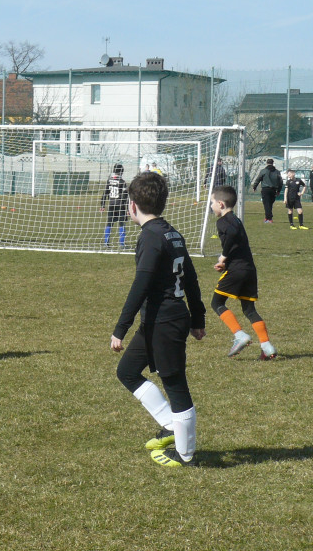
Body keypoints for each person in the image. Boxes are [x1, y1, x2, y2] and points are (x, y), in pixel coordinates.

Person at [111, 171, 205, 467]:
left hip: (166, 321)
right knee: (127, 371)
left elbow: (142, 285)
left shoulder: (151, 238)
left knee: (174, 382)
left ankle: (185, 454)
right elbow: (190, 278)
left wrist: (120, 328)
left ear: (133, 206)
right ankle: (171, 425)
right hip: (158, 320)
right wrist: (198, 317)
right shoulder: (171, 233)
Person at [209, 185, 276, 359]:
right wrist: (226, 262)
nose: (211, 206)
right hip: (248, 269)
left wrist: (223, 257)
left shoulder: (223, 221)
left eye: (212, 203)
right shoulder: (236, 219)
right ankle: (267, 346)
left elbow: (231, 235)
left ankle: (240, 335)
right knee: (249, 309)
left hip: (237, 269)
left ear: (221, 204)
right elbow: (236, 241)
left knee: (216, 303)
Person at [101, 163, 129, 249]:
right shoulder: (122, 182)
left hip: (111, 205)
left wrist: (102, 205)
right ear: (121, 172)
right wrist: (127, 208)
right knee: (121, 224)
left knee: (109, 223)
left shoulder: (109, 180)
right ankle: (122, 244)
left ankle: (106, 243)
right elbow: (125, 196)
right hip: (120, 205)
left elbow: (105, 193)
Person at [251, 158, 283, 223]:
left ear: (267, 163)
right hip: (273, 189)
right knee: (270, 204)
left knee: (266, 204)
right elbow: (280, 182)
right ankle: (267, 217)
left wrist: (254, 187)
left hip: (265, 189)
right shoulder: (277, 172)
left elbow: (258, 179)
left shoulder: (263, 171)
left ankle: (269, 218)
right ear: (273, 163)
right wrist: (279, 190)